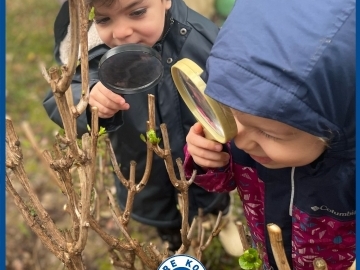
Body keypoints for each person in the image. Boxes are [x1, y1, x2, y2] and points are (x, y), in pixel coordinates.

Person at [43, 0, 243, 256]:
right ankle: (174, 241)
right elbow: (60, 96)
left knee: (208, 194)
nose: (122, 32)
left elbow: (234, 92)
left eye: (137, 12)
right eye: (104, 20)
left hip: (200, 153)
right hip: (139, 159)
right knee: (158, 207)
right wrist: (89, 96)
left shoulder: (200, 37)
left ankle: (218, 220)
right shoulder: (97, 52)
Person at [184, 0, 355, 269]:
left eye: (269, 133)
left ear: (338, 125)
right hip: (269, 251)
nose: (239, 138)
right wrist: (208, 159)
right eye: (230, 112)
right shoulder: (249, 130)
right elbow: (221, 182)